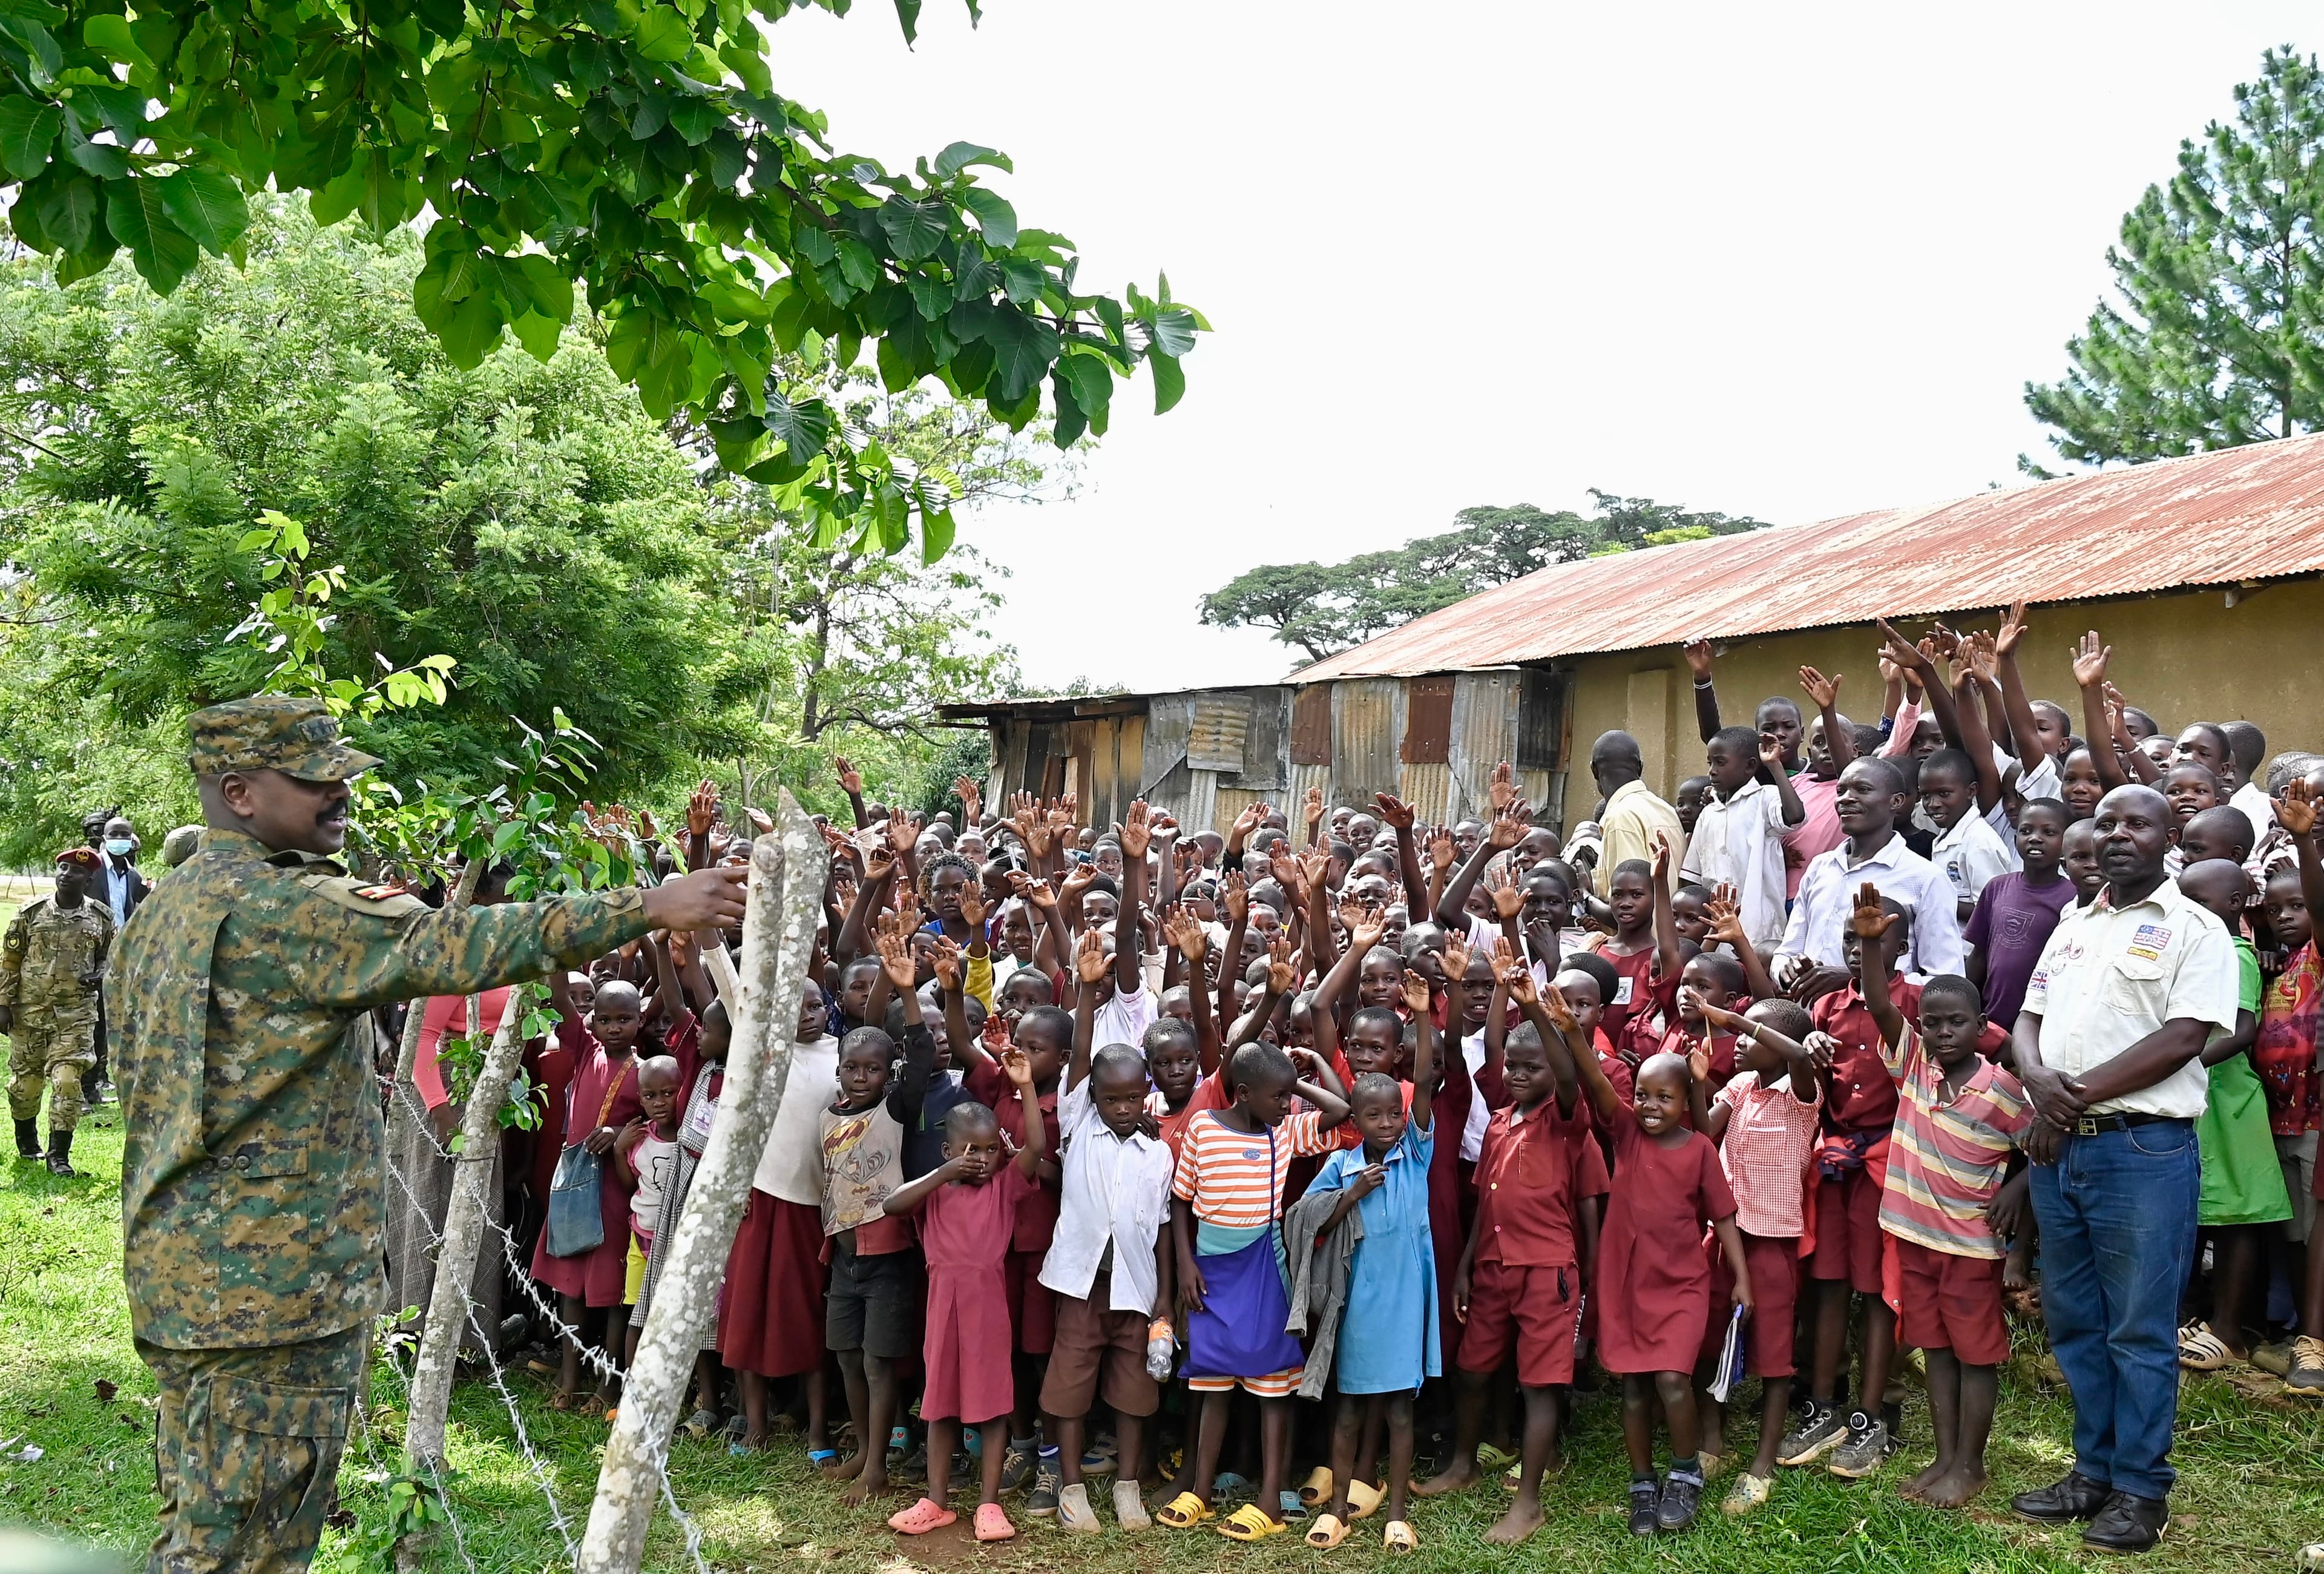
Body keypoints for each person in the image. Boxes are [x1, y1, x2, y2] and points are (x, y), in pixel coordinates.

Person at [111, 696, 746, 1574]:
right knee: (245, 1550)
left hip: (187, 1273)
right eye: (314, 779)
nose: (340, 795)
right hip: (273, 1294)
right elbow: (460, 942)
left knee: (205, 1522)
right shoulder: (292, 908)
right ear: (239, 792)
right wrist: (651, 902)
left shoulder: (164, 909)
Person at [2011, 783, 2240, 1554]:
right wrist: (2041, 1087)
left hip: (2142, 1151)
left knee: (2140, 1328)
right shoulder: (2076, 922)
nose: (2116, 834)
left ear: (2168, 835)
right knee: (2077, 1319)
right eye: (2106, 822)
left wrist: (2064, 1099)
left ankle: (2142, 1490)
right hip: (2063, 1150)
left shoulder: (2196, 928)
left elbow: (2184, 1037)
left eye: (2137, 822)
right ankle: (2093, 1471)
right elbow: (2027, 1018)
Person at [1851, 887, 2030, 1510]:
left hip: (1970, 1245)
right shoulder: (1916, 1067)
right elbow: (1879, 1002)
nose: (1944, 1031)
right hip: (1915, 1237)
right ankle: (1944, 1456)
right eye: (1933, 1021)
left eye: (1957, 1022)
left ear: (1982, 1028)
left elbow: (2045, 1147)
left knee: (1975, 1354)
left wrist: (2019, 1184)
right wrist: (1873, 942)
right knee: (1935, 1350)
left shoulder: (2002, 1088)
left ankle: (1971, 1464)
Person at [1568, 990, 1750, 1537]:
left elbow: (1723, 1218)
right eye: (1643, 1095)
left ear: (1685, 1097)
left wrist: (1741, 1277)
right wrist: (1569, 1030)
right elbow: (1598, 1083)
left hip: (1680, 1284)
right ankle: (1643, 1482)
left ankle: (1686, 1472)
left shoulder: (1698, 1149)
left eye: (1663, 1098)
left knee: (1674, 1380)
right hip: (1625, 1283)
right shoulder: (1624, 1133)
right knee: (1632, 1388)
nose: (1649, 1106)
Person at [1157, 1039, 1350, 1540]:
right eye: (1278, 1097)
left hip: (1264, 1268)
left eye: (1289, 1098)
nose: (1288, 1107)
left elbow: (1340, 1109)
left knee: (1270, 1386)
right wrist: (1185, 1265)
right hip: (1210, 1270)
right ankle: (1199, 1489)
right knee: (1212, 1380)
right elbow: (1181, 1201)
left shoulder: (1282, 1132)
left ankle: (1270, 1501)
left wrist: (1299, 1075)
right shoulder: (1202, 1128)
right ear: (1242, 1093)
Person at [880, 1049, 1047, 1543]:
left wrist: (1027, 1087)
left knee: (993, 1407)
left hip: (987, 1310)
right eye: (969, 1151)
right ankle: (936, 1501)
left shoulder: (1004, 1188)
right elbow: (892, 1204)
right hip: (941, 1309)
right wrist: (942, 1175)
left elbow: (1035, 1147)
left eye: (990, 1150)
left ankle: (989, 1504)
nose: (980, 1159)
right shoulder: (934, 1190)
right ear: (947, 1151)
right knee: (940, 1406)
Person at [1039, 945, 1178, 1535]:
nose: (1122, 1107)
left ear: (1145, 1090)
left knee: (1133, 1392)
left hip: (1137, 1291)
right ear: (1092, 1096)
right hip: (1081, 1286)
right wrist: (1089, 991)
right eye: (1110, 1097)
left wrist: (1166, 1298)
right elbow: (1076, 1058)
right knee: (1070, 1388)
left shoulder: (1157, 1151)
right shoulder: (1080, 1128)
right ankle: (1072, 1487)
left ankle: (1126, 1484)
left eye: (1131, 1097)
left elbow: (1164, 1227)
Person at [1302, 969, 1440, 1555]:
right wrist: (1352, 1193)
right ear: (1356, 1121)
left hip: (1406, 1302)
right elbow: (1312, 1222)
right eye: (1375, 1117)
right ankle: (1338, 1511)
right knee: (1351, 1409)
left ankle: (1399, 1513)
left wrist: (1426, 1018)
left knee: (1400, 1414)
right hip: (1359, 1303)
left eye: (1394, 1114)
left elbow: (1428, 1081)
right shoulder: (1343, 1165)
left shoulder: (1414, 1153)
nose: (1388, 1124)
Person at [1687, 995, 1820, 1516]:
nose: (1741, 1041)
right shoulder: (1741, 1087)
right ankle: (1712, 1442)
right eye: (1741, 1033)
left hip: (1771, 1241)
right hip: (1722, 1236)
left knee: (1773, 1354)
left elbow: (1803, 1059)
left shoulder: (1801, 1093)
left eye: (1755, 1035)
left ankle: (1761, 1464)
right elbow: (1703, 1130)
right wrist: (1699, 1083)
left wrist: (1735, 1019)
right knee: (1707, 1335)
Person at [2174, 858, 2289, 1371]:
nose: (2190, 911)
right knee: (2203, 1211)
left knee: (2236, 1217)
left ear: (2237, 904)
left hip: (2228, 1099)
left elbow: (2242, 1032)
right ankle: (2194, 1317)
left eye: (2201, 902)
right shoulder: (2192, 953)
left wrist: (2178, 1064)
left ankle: (2229, 1330)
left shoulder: (2237, 954)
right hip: (2199, 1096)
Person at [1771, 756, 1966, 997]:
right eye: (1841, 791)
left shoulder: (1926, 878)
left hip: (1877, 1025)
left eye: (1862, 790)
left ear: (1896, 802)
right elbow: (1787, 951)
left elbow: (1945, 981)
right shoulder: (1820, 867)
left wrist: (1858, 980)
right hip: (1811, 1021)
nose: (1846, 799)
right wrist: (1787, 971)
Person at [4, 846, 114, 1176]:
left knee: (67, 1082)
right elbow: (9, 962)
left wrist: (102, 973)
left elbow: (112, 957)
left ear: (89, 878)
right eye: (63, 868)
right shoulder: (30, 913)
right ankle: (27, 1143)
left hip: (75, 1015)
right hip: (29, 1013)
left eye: (76, 871)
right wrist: (2, 1004)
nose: (67, 874)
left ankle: (59, 1155)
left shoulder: (101, 918)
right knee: (26, 1085)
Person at [1591, 730, 1686, 893]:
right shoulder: (1667, 810)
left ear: (1594, 770)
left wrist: (1587, 897)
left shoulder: (1619, 818)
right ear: (1640, 768)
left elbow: (1628, 903)